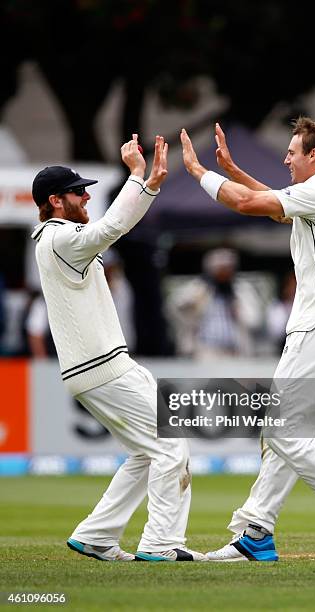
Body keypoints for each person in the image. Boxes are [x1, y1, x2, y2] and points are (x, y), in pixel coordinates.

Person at [180, 118, 315, 562]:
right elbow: (273, 204)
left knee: (281, 430)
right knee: (286, 434)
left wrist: (198, 172)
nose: (286, 159)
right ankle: (257, 532)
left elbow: (251, 204)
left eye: (293, 152)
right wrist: (232, 169)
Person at [31, 135, 205, 562]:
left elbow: (110, 228)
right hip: (102, 367)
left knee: (146, 453)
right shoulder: (60, 237)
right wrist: (138, 178)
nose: (86, 196)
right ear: (55, 200)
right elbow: (112, 228)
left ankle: (96, 536)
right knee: (169, 445)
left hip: (102, 365)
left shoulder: (59, 237)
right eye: (78, 191)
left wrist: (148, 185)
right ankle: (162, 543)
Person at [168, 247, 263, 358]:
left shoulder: (241, 290)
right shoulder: (198, 288)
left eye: (227, 269)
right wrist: (198, 295)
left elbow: (255, 321)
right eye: (220, 269)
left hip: (235, 352)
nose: (223, 274)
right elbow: (174, 306)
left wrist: (238, 308)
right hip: (205, 351)